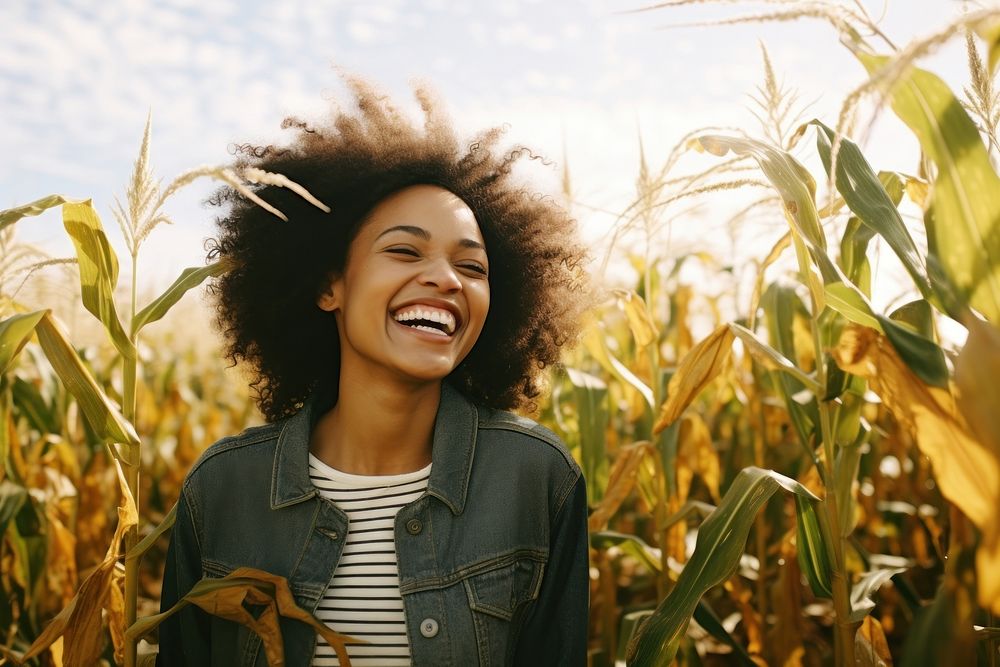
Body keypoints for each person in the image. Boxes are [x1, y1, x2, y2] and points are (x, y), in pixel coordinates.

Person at [157, 78, 591, 667]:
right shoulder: (223, 489)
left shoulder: (537, 479)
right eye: (406, 252)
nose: (447, 279)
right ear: (328, 284)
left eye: (472, 265)